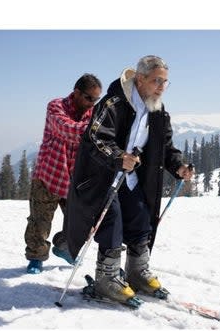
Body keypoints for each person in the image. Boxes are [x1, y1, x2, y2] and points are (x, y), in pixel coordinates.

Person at [65, 55, 193, 305]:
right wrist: (118, 156)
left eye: (166, 82)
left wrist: (178, 166)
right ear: (141, 79)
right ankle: (107, 278)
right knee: (111, 220)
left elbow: (164, 147)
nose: (161, 87)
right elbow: (95, 138)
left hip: (131, 177)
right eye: (157, 81)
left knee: (141, 216)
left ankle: (136, 272)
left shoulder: (157, 110)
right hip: (101, 176)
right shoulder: (113, 103)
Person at [24, 73, 102, 274]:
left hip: (75, 179)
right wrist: (96, 129)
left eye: (96, 100)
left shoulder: (92, 113)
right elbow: (66, 129)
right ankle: (36, 258)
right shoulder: (56, 106)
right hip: (49, 174)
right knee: (39, 222)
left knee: (84, 222)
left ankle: (64, 246)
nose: (92, 103)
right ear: (76, 93)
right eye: (89, 98)